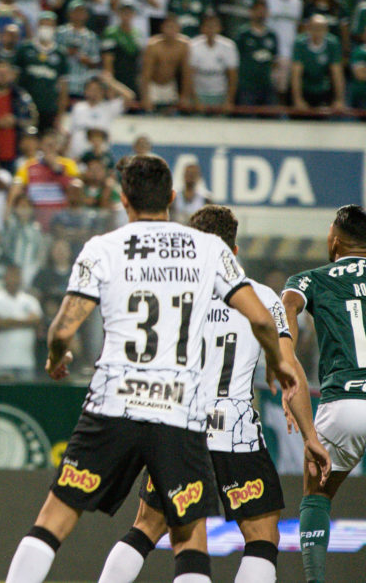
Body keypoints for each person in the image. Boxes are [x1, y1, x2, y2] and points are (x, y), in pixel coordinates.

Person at [4, 154, 299, 583]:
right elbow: (258, 318)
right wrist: (276, 359)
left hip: (113, 404)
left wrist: (55, 358)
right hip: (178, 413)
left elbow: (62, 329)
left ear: (124, 200)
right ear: (173, 198)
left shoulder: (102, 248)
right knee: (189, 534)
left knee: (56, 517)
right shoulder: (210, 249)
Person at [97, 204, 328, 583]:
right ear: (234, 252)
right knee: (261, 536)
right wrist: (310, 436)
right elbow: (291, 371)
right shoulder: (262, 297)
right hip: (234, 433)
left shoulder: (168, 292)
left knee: (147, 527)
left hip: (176, 426)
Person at [282, 205, 366, 583]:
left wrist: (284, 360)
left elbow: (288, 306)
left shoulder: (310, 278)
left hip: (345, 400)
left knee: (315, 490)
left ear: (334, 240)